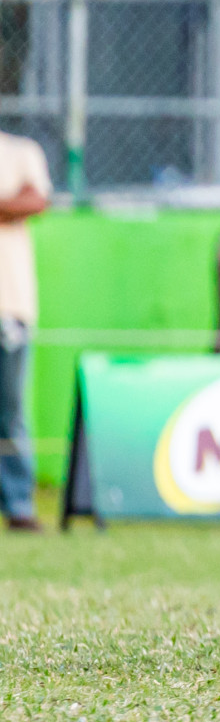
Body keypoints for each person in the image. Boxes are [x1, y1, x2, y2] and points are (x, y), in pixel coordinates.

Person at [0, 130, 48, 532]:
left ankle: (18, 504)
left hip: (8, 304)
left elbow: (35, 199)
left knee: (10, 410)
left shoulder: (19, 150)